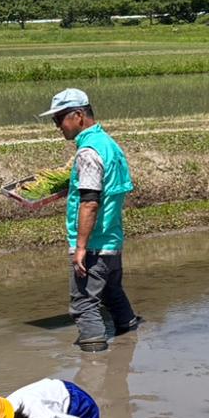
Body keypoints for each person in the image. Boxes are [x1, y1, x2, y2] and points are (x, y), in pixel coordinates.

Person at [39, 88, 140, 352]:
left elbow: (91, 202)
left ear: (78, 116)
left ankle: (94, 361)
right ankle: (128, 338)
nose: (57, 126)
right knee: (112, 294)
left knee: (83, 304)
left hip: (93, 243)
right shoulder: (108, 143)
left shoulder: (88, 153)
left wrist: (81, 248)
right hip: (112, 240)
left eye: (59, 119)